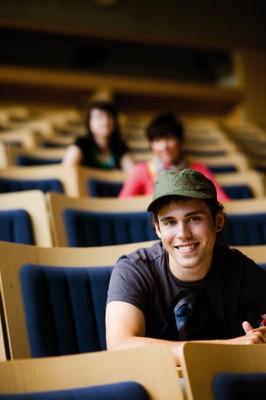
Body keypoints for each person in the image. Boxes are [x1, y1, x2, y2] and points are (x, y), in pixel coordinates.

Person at [106, 169, 266, 366]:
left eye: (194, 219)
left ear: (218, 221)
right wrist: (227, 347)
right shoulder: (133, 270)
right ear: (157, 229)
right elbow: (119, 346)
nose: (183, 234)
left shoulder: (239, 267)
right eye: (170, 222)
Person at [118, 112, 229, 201]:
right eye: (157, 140)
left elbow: (222, 202)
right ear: (151, 145)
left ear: (181, 140)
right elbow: (122, 205)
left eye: (170, 138)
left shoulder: (198, 169)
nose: (164, 146)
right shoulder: (141, 170)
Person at [62, 100, 134, 171]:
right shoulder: (80, 146)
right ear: (89, 123)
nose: (105, 121)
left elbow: (133, 173)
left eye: (109, 116)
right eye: (99, 117)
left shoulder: (120, 147)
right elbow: (67, 173)